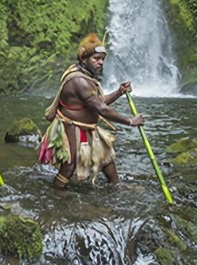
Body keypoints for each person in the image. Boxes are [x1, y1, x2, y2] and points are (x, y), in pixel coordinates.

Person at [39, 33, 144, 188]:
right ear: (83, 58)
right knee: (69, 166)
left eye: (102, 59)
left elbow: (98, 102)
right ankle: (57, 196)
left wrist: (118, 92)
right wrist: (130, 121)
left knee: (107, 158)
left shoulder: (86, 76)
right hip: (72, 127)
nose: (101, 62)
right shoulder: (79, 80)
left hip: (87, 128)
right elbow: (102, 109)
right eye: (96, 58)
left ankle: (117, 188)